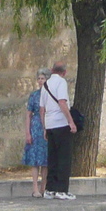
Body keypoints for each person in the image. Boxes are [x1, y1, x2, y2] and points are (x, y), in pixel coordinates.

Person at [41, 62, 77, 200]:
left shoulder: (45, 85)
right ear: (64, 72)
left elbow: (42, 109)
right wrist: (70, 121)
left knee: (53, 158)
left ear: (51, 70)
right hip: (61, 124)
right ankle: (62, 190)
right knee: (64, 158)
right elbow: (62, 102)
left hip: (49, 124)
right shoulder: (61, 82)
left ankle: (49, 189)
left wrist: (44, 127)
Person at [23, 68, 51, 197]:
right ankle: (35, 188)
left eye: (43, 78)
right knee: (35, 159)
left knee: (45, 160)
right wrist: (28, 132)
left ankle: (43, 187)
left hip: (48, 126)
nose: (40, 81)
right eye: (39, 78)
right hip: (35, 127)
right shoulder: (34, 95)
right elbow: (28, 114)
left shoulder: (51, 95)